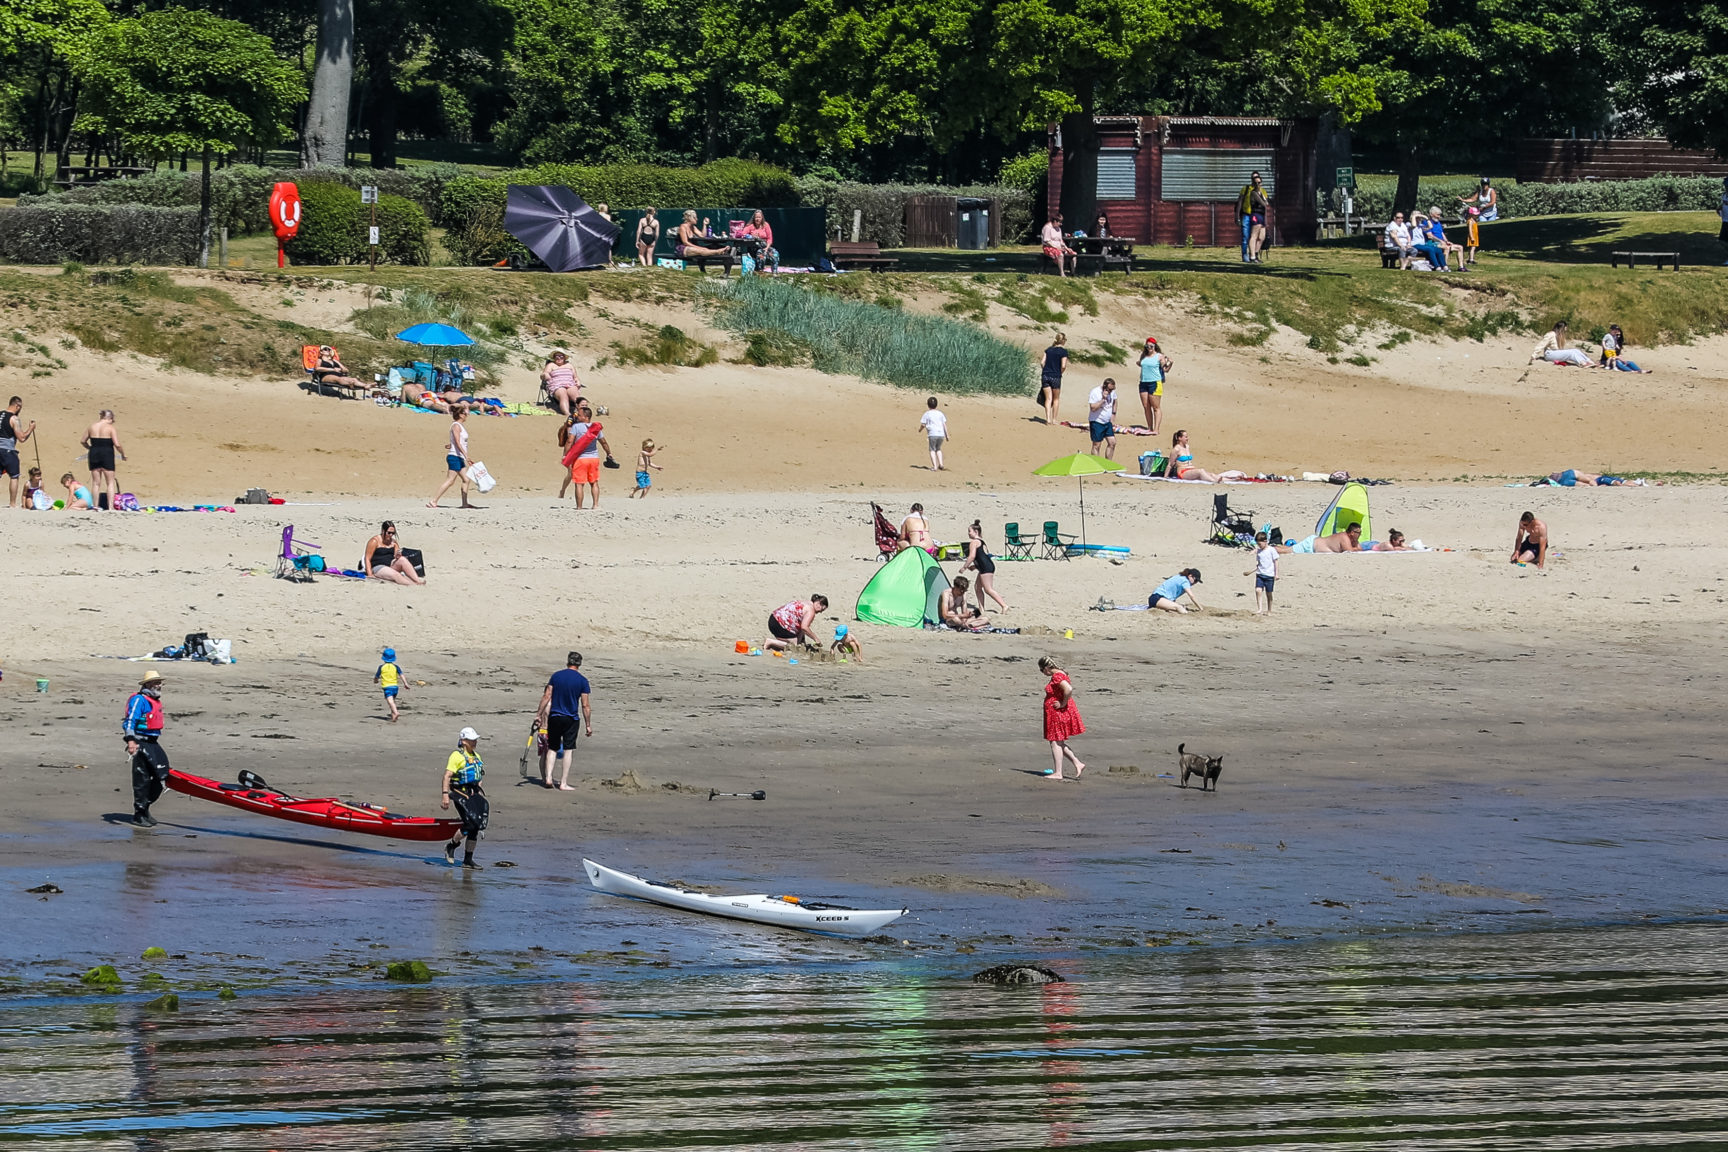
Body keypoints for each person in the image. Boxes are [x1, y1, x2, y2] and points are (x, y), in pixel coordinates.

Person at [535, 651, 592, 791]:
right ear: (579, 664)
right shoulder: (582, 681)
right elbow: (585, 705)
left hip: (555, 717)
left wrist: (538, 714)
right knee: (568, 750)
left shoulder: (556, 676)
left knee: (552, 748)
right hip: (571, 718)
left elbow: (547, 696)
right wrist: (588, 725)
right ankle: (563, 783)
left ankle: (548, 778)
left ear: (568, 661)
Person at [123, 670, 170, 827]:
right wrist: (131, 741)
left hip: (153, 742)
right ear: (147, 684)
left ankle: (146, 807)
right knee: (142, 779)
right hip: (139, 741)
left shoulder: (154, 700)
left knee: (162, 774)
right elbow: (130, 720)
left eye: (159, 682)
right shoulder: (139, 700)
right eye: (156, 682)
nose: (159, 685)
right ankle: (139, 813)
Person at [440, 727, 487, 868]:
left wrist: (478, 790)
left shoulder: (477, 756)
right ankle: (452, 846)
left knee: (476, 826)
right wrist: (445, 796)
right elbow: (447, 776)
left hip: (473, 793)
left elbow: (479, 775)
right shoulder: (457, 756)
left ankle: (468, 860)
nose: (475, 742)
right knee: (470, 824)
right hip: (459, 793)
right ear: (464, 741)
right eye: (472, 740)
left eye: (475, 739)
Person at [1038, 656, 1085, 780]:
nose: (1042, 672)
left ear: (1047, 667)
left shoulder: (1057, 676)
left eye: (1042, 670)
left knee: (1055, 742)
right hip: (1056, 712)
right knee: (1058, 742)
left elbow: (1068, 689)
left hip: (1057, 713)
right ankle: (1077, 763)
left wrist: (1063, 703)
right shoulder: (1061, 673)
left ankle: (1058, 773)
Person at [561, 400, 613, 508]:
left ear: (586, 416)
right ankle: (595, 505)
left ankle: (579, 507)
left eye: (579, 415)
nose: (577, 416)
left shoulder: (576, 427)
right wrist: (609, 453)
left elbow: (569, 441)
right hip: (594, 458)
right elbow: (604, 442)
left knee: (579, 484)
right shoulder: (596, 428)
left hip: (580, 459)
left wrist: (565, 455)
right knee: (594, 482)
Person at [428, 408, 475, 509]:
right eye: (465, 413)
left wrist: (450, 445)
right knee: (450, 480)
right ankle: (433, 501)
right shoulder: (456, 426)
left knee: (466, 479)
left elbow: (457, 441)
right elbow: (458, 441)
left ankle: (464, 503)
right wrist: (466, 455)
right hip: (455, 457)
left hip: (459, 457)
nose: (467, 415)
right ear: (461, 415)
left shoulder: (460, 426)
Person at [961, 519, 1008, 613]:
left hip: (986, 568)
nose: (968, 533)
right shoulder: (981, 542)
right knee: (977, 588)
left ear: (976, 531)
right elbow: (981, 557)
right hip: (984, 567)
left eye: (969, 531)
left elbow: (972, 556)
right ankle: (981, 609)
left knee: (988, 589)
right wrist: (974, 567)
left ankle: (1004, 605)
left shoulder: (974, 542)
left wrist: (964, 567)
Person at [81, 409, 124, 511]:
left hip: (94, 453)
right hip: (107, 454)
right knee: (110, 482)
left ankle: (95, 506)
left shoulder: (91, 427)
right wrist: (123, 454)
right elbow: (117, 444)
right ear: (110, 418)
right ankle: (110, 507)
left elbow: (83, 441)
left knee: (96, 483)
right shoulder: (110, 428)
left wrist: (90, 448)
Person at [1, 396, 36, 509]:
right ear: (17, 406)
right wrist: (31, 428)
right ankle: (12, 503)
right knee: (14, 476)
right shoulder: (14, 418)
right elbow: (21, 438)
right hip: (8, 450)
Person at [362, 521, 424, 585]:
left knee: (403, 559)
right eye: (389, 533)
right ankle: (413, 585)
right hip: (378, 567)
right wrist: (370, 574)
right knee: (396, 575)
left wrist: (398, 555)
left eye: (393, 533)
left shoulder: (393, 542)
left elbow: (396, 556)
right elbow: (367, 558)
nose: (391, 535)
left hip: (390, 565)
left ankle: (417, 581)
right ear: (383, 531)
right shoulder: (374, 541)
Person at [1530, 321, 1598, 368]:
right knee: (1571, 353)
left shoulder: (1560, 336)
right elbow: (1542, 344)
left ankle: (1589, 361)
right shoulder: (1551, 334)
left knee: (1575, 350)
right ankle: (1582, 363)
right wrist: (1534, 355)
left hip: (1556, 353)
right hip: (1550, 354)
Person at [1137, 338, 1169, 434]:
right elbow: (1141, 363)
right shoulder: (1144, 356)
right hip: (1143, 382)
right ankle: (1149, 427)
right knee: (1146, 406)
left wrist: (1170, 363)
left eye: (1151, 346)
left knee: (1156, 407)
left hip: (1154, 383)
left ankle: (1156, 429)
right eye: (1147, 346)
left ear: (1155, 346)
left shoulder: (1159, 356)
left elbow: (1165, 369)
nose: (1149, 348)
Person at [1238, 172, 1268, 263]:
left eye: (1259, 183)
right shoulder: (1252, 192)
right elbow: (1264, 203)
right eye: (1255, 182)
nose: (1257, 184)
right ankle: (1250, 256)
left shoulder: (1262, 191)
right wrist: (1237, 215)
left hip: (1261, 215)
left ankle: (1255, 253)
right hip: (1253, 214)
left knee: (1262, 237)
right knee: (1250, 236)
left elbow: (1266, 204)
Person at [1039, 333, 1069, 424]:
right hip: (1055, 376)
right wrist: (1059, 373)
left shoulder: (1048, 350)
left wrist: (1046, 370)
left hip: (1045, 375)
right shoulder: (1063, 352)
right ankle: (1054, 419)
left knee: (1048, 398)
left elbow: (1042, 362)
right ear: (1063, 341)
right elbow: (1063, 366)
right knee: (1056, 399)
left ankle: (1048, 418)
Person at [1277, 523, 1362, 554]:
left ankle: (1273, 546)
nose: (1360, 534)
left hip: (1314, 544)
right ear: (1352, 533)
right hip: (1311, 545)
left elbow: (1359, 549)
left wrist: (1356, 547)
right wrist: (1356, 548)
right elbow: (1349, 551)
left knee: (1289, 549)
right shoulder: (1344, 537)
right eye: (1359, 533)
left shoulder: (1352, 539)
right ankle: (1268, 548)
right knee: (1285, 551)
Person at [1246, 531, 1277, 614]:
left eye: (1260, 544)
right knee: (1258, 590)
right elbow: (1259, 564)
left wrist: (1276, 574)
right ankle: (1259, 609)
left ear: (1265, 541)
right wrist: (1250, 571)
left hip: (1269, 575)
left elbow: (1275, 562)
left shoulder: (1271, 550)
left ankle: (1269, 610)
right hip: (1260, 574)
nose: (1259, 546)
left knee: (1269, 594)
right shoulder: (1259, 552)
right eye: (1258, 544)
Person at [540, 351, 580, 415]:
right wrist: (545, 375)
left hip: (570, 384)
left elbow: (575, 377)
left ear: (564, 357)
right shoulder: (551, 365)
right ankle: (567, 414)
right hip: (556, 385)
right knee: (563, 395)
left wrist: (578, 381)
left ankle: (582, 412)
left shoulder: (569, 365)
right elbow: (543, 374)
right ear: (554, 357)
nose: (559, 358)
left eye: (561, 356)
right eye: (557, 356)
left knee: (575, 395)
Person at [374, 646, 408, 722]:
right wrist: (405, 683)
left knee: (390, 701)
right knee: (392, 702)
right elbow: (401, 675)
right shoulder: (396, 667)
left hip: (387, 687)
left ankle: (396, 712)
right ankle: (393, 717)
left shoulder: (381, 667)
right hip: (395, 687)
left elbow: (377, 676)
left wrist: (375, 680)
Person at [1087, 378, 1118, 459]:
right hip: (1097, 421)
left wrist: (1113, 414)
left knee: (1112, 442)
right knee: (1096, 445)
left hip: (1107, 422)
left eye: (1112, 389)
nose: (1111, 391)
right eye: (1109, 389)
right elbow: (1093, 408)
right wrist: (1103, 400)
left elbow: (1115, 401)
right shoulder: (1095, 392)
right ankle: (1096, 464)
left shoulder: (1112, 392)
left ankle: (1108, 463)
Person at [920, 397, 948, 471]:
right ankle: (941, 464)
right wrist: (947, 435)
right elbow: (944, 424)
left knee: (932, 449)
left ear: (928, 405)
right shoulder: (940, 414)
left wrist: (920, 430)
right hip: (941, 434)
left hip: (932, 434)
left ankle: (935, 466)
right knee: (938, 449)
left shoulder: (927, 414)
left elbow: (923, 424)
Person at [1546, 469, 1640, 487]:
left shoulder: (1600, 479)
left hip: (1563, 480)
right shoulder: (1599, 478)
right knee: (1589, 481)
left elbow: (1589, 484)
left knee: (1588, 483)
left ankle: (1636, 484)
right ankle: (1636, 484)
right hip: (1568, 473)